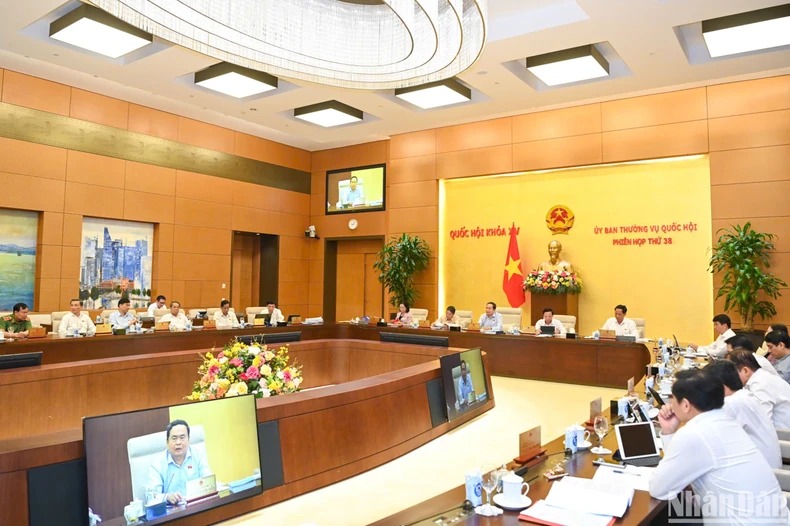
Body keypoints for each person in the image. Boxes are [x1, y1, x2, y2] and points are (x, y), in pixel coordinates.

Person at [649, 369, 788, 523]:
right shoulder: (726, 423)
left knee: (668, 515)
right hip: (772, 519)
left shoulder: (696, 433)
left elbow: (659, 489)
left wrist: (669, 434)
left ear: (686, 405)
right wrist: (669, 431)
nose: (670, 404)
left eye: (672, 398)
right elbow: (678, 473)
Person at [704, 360, 781, 468]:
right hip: (763, 466)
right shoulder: (744, 395)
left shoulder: (733, 403)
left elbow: (705, 432)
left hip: (758, 469)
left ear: (720, 386)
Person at [148, 420, 213, 505]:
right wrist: (167, 497)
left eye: (182, 437)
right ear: (167, 442)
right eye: (174, 438)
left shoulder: (198, 456)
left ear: (188, 439)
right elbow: (152, 496)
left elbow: (209, 484)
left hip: (196, 506)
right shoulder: (157, 464)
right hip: (172, 510)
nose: (178, 443)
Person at [728, 350, 790, 429]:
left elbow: (763, 423)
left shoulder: (761, 384)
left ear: (745, 370)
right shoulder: (759, 378)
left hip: (783, 433)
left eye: (731, 374)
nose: (729, 378)